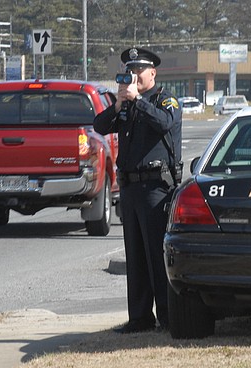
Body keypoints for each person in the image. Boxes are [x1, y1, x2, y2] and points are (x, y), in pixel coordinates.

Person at [93, 47, 182, 334]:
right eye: (128, 71)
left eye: (138, 71)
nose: (133, 77)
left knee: (157, 255)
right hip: (130, 188)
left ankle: (168, 317)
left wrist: (138, 101)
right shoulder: (127, 104)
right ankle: (140, 317)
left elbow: (165, 122)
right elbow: (99, 125)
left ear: (152, 73)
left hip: (156, 187)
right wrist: (119, 105)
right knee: (136, 256)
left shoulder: (164, 100)